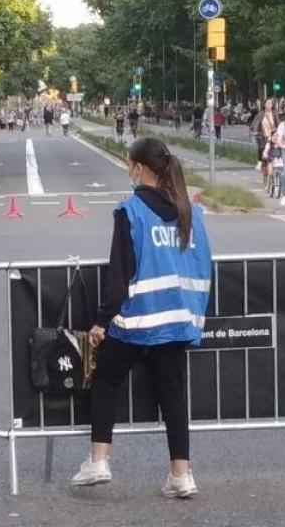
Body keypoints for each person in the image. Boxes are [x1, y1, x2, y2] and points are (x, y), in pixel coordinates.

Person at [71, 136, 212, 499]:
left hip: (137, 319)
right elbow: (203, 265)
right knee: (174, 395)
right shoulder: (191, 211)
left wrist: (102, 321)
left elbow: (119, 275)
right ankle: (181, 475)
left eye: (128, 163)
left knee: (106, 380)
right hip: (179, 317)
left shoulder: (131, 210)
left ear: (138, 168)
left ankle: (99, 461)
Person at [252, 98, 278, 172]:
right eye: (267, 103)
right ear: (264, 104)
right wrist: (255, 131)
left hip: (273, 134)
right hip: (263, 134)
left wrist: (279, 130)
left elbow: (278, 123)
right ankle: (260, 162)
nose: (269, 105)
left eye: (270, 103)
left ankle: (276, 161)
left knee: (276, 148)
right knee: (262, 148)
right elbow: (256, 123)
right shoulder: (261, 114)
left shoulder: (274, 113)